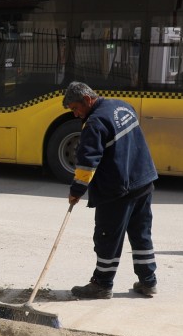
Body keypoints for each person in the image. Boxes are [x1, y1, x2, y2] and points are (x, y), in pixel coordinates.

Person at [62, 81, 159, 299]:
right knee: (141, 234)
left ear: (87, 100)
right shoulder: (122, 106)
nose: (76, 114)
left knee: (107, 238)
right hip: (143, 180)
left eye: (76, 108)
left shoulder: (95, 123)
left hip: (117, 190)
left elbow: (87, 164)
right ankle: (148, 281)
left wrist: (76, 191)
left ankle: (102, 284)